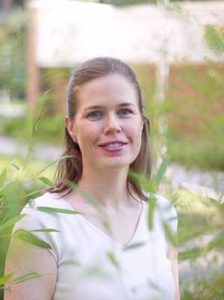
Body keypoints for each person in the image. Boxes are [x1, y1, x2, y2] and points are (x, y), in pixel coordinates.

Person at [4, 57, 179, 300]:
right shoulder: (41, 222)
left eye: (125, 111)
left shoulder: (162, 214)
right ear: (71, 127)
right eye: (95, 114)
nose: (113, 126)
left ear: (141, 123)